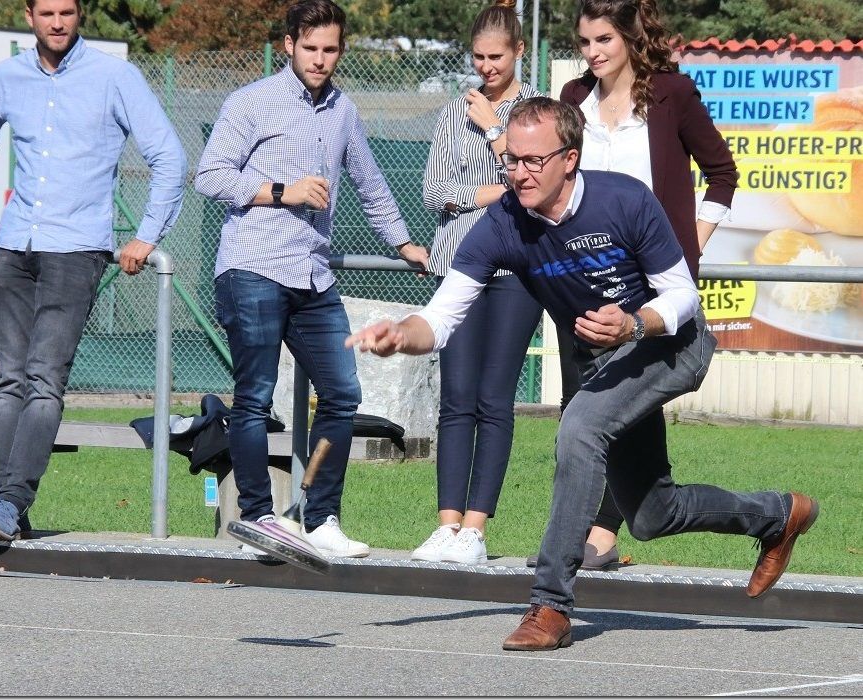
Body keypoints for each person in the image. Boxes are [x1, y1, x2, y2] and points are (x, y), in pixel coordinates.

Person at [346, 97, 817, 651]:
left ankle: (550, 605)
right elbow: (441, 318)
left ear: (569, 159)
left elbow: (683, 295)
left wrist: (633, 324)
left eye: (532, 161)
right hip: (607, 361)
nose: (517, 173)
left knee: (579, 427)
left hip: (671, 344)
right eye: (510, 160)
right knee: (650, 514)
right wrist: (402, 334)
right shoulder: (502, 224)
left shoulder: (625, 202)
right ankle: (778, 515)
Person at [194, 0, 429, 559]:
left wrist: (402, 242)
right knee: (252, 398)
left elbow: (370, 183)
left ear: (340, 50)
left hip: (313, 274)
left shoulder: (344, 110)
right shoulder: (252, 102)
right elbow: (209, 174)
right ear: (288, 46)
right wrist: (282, 191)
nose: (320, 59)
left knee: (343, 393)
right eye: (310, 48)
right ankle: (257, 519)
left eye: (329, 49)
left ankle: (320, 517)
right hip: (253, 266)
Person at [0, 0, 186, 541]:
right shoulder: (8, 77)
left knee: (43, 379)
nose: (57, 22)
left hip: (76, 250)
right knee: (9, 379)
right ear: (28, 16)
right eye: (46, 13)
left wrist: (146, 235)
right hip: (14, 245)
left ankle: (9, 503)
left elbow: (169, 156)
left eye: (66, 12)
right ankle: (7, 506)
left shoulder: (114, 76)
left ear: (79, 14)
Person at [528, 0, 740, 570]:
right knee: (591, 406)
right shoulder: (573, 100)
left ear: (629, 36)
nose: (593, 53)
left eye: (603, 40)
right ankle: (606, 527)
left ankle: (594, 533)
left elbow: (721, 172)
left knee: (599, 412)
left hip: (651, 285)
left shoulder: (672, 94)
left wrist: (689, 244)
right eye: (585, 42)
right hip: (584, 279)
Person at [414, 0, 543, 566]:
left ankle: (475, 530)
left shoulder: (539, 113)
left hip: (517, 266)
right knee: (456, 398)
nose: (486, 67)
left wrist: (496, 134)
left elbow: (534, 184)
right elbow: (433, 191)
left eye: (496, 57)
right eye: (478, 57)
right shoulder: (450, 113)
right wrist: (493, 191)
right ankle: (445, 526)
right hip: (456, 263)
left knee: (495, 399)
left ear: (519, 51)